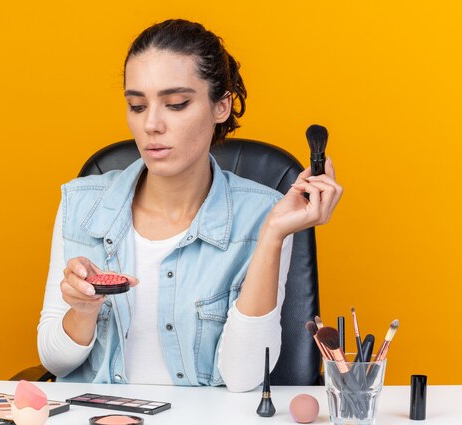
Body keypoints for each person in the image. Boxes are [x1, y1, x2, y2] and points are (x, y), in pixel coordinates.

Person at [37, 19, 342, 392]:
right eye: (136, 105)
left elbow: (243, 379)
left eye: (176, 104)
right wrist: (83, 312)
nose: (151, 124)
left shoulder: (264, 212)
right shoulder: (82, 203)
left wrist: (272, 234)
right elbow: (54, 361)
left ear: (221, 107)